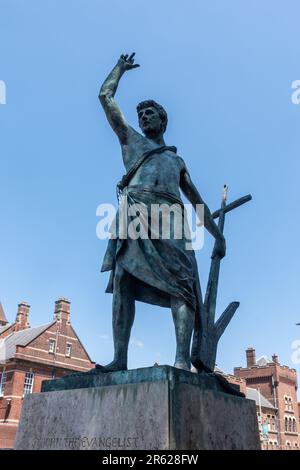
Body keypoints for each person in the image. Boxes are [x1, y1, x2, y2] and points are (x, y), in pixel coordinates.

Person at [97, 53, 225, 372]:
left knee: (181, 284)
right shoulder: (130, 141)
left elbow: (197, 201)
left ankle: (181, 359)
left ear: (162, 120)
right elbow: (105, 96)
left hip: (171, 217)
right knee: (124, 278)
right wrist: (120, 69)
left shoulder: (175, 161)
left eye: (149, 113)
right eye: (140, 115)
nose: (143, 119)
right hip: (136, 212)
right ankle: (119, 359)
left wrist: (217, 235)